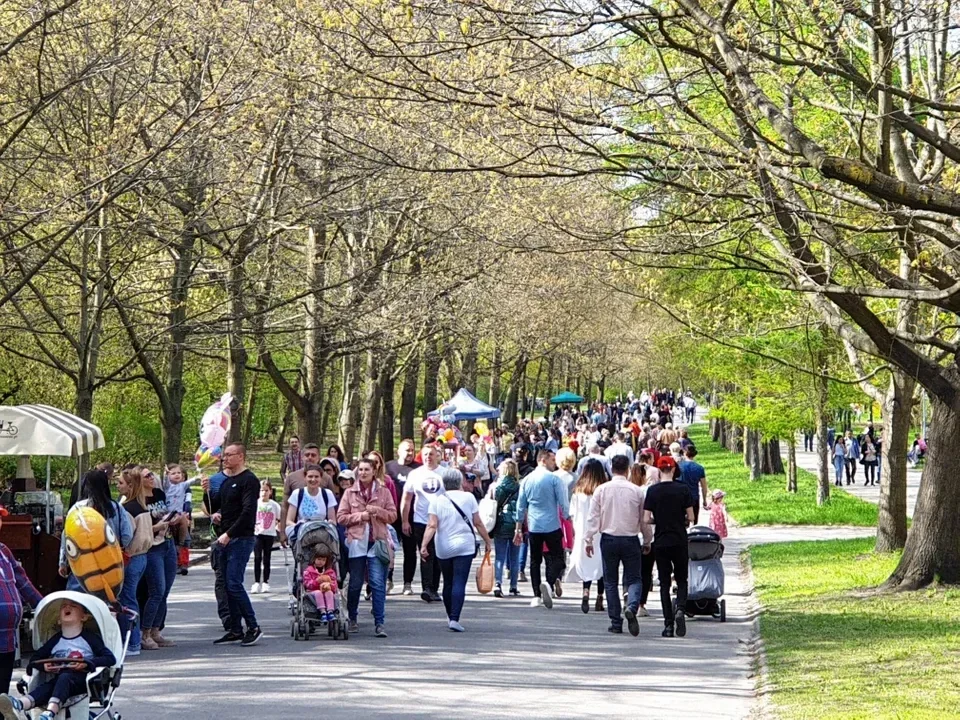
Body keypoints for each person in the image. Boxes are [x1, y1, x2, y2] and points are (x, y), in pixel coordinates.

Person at [0, 599, 115, 720]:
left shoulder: (90, 638)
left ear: (84, 617)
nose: (67, 607)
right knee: (48, 687)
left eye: (73, 606)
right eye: (64, 606)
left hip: (84, 681)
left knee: (64, 678)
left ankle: (50, 712)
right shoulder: (55, 640)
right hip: (59, 680)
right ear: (59, 619)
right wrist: (43, 666)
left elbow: (109, 659)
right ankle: (18, 704)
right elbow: (35, 659)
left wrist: (87, 664)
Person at [584, 455, 652, 637]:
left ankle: (615, 621)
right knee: (635, 578)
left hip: (609, 539)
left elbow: (593, 517)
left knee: (610, 581)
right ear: (628, 469)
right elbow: (643, 520)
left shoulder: (601, 490)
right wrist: (647, 540)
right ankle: (631, 605)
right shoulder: (637, 491)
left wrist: (588, 539)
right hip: (630, 539)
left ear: (612, 468)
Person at [201, 443, 262, 647]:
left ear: (241, 457)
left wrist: (229, 533)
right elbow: (215, 505)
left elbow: (247, 512)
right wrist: (207, 493)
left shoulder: (249, 481)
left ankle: (253, 626)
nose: (224, 459)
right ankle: (235, 628)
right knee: (226, 584)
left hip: (240, 538)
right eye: (224, 456)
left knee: (234, 583)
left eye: (229, 455)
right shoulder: (227, 481)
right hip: (223, 536)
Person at [420, 467, 492, 632]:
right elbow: (478, 523)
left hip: (443, 547)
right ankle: (454, 618)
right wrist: (487, 540)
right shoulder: (469, 498)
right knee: (459, 582)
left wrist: (424, 545)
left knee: (448, 581)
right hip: (464, 546)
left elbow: (432, 525)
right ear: (460, 481)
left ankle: (449, 615)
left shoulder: (436, 501)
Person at [338, 458, 396, 638]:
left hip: (377, 542)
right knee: (355, 583)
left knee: (378, 584)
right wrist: (360, 516)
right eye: (360, 470)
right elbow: (341, 518)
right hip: (356, 542)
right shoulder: (349, 493)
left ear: (373, 471)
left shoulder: (383, 492)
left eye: (366, 470)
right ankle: (352, 617)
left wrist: (378, 512)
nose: (363, 473)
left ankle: (380, 623)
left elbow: (393, 516)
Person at [643, 456, 694, 638]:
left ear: (658, 470)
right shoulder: (683, 489)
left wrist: (658, 519)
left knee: (664, 583)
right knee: (682, 579)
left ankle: (668, 625)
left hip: (661, 540)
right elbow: (691, 516)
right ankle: (680, 608)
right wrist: (682, 519)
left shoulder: (652, 491)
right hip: (679, 539)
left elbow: (646, 518)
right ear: (673, 470)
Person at [515, 448, 570, 608]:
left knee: (534, 561)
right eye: (552, 460)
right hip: (552, 524)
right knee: (558, 559)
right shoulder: (554, 480)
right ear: (543, 460)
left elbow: (521, 505)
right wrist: (567, 517)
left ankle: (536, 595)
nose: (555, 463)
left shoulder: (526, 480)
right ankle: (549, 581)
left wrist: (518, 526)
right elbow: (563, 502)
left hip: (534, 525)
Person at [0, 505, 42, 694]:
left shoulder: (4, 552)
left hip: (7, 640)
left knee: (2, 697)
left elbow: (24, 585)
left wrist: (46, 608)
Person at [137, 467, 179, 650]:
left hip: (167, 543)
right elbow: (138, 530)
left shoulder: (159, 494)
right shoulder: (138, 501)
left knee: (165, 591)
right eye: (147, 476)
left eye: (151, 474)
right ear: (139, 480)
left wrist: (174, 520)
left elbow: (165, 513)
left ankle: (156, 630)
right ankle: (144, 633)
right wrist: (157, 526)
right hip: (152, 547)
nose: (151, 477)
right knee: (157, 590)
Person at [401, 445, 445, 603]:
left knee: (438, 554)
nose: (428, 457)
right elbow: (406, 499)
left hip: (441, 521)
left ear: (437, 456)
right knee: (426, 553)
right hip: (420, 520)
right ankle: (427, 588)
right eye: (425, 454)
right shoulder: (415, 474)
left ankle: (434, 588)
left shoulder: (444, 473)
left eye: (431, 454)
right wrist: (405, 520)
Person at [566, 459, 607, 615]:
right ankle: (600, 596)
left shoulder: (578, 491)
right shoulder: (602, 490)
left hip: (582, 530)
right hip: (599, 531)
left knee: (586, 563)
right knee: (601, 564)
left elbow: (572, 513)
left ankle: (585, 592)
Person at [386, 439, 421, 596]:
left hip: (411, 515)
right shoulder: (388, 467)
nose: (410, 453)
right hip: (391, 516)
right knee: (388, 549)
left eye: (412, 450)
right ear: (398, 451)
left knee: (410, 550)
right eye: (407, 450)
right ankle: (388, 579)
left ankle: (408, 583)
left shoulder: (418, 469)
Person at [491, 460, 522, 598]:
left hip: (502, 522)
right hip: (515, 523)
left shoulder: (498, 486)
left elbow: (494, 504)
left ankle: (498, 583)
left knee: (500, 556)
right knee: (514, 557)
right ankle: (513, 586)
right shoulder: (519, 486)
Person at [284, 464, 338, 543]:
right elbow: (289, 521)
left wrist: (329, 524)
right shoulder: (297, 493)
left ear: (321, 478)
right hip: (303, 532)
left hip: (322, 533)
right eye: (310, 476)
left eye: (316, 477)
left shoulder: (327, 494)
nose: (313, 479)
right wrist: (299, 527)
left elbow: (332, 520)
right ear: (305, 478)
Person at [162, 464, 197, 577]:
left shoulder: (184, 487)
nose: (176, 475)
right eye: (173, 473)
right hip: (169, 515)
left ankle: (184, 563)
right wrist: (165, 474)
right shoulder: (168, 487)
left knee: (184, 540)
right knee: (171, 538)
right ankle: (176, 563)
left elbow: (188, 501)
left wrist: (199, 476)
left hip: (182, 515)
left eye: (179, 473)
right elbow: (165, 483)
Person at [281, 443, 323, 534]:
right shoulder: (291, 478)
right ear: (302, 457)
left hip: (322, 531)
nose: (310, 457)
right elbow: (285, 506)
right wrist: (282, 532)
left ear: (319, 458)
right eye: (307, 455)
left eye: (313, 455)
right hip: (297, 530)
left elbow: (333, 506)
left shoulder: (326, 478)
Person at [252, 481, 281, 595]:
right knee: (257, 557)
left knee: (266, 558)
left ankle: (265, 581)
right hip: (257, 534)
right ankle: (256, 582)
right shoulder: (256, 504)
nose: (263, 493)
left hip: (269, 534)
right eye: (261, 490)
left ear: (270, 491)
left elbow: (278, 519)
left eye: (266, 490)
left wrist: (277, 527)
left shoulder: (274, 505)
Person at [303, 552, 339, 622]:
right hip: (312, 592)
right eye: (319, 559)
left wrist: (329, 584)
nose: (321, 562)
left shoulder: (330, 572)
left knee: (329, 592)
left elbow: (334, 584)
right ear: (314, 559)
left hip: (326, 590)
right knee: (318, 593)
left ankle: (330, 611)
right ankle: (323, 612)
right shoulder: (309, 571)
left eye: (323, 560)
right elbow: (307, 583)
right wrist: (317, 582)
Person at [677, 445, 709, 524]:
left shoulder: (679, 466)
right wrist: (704, 500)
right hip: (694, 497)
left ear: (685, 453)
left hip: (680, 497)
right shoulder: (699, 468)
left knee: (680, 521)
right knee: (694, 521)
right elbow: (704, 486)